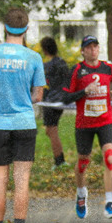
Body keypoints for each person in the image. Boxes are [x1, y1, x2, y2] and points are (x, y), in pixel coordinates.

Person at [0, 7, 46, 223]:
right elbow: (38, 95)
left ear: (4, 27)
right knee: (21, 181)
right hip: (24, 124)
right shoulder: (33, 58)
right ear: (26, 29)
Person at [59, 35, 112, 219]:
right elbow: (65, 97)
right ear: (83, 51)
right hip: (84, 124)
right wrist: (84, 92)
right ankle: (81, 195)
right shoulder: (77, 70)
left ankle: (110, 203)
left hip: (105, 121)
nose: (93, 50)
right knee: (83, 163)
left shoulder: (108, 67)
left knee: (110, 158)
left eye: (95, 46)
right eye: (88, 47)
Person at [40, 36, 71, 170]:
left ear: (45, 50)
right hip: (61, 101)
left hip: (51, 102)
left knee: (52, 131)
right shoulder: (62, 63)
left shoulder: (47, 66)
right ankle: (59, 159)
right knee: (50, 131)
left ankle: (59, 161)